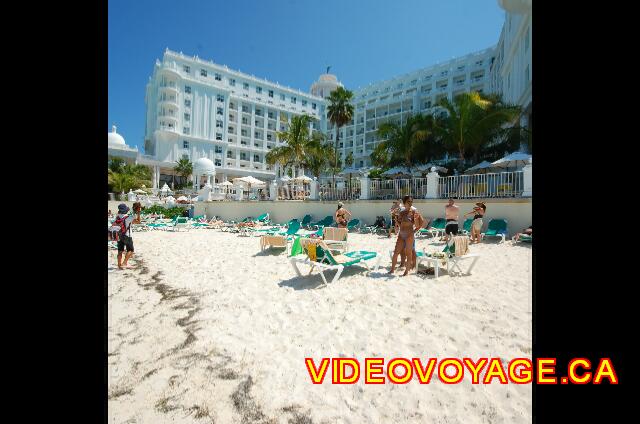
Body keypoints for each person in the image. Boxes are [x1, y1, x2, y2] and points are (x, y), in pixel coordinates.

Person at [390, 196, 424, 276]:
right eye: (408, 201)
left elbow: (421, 223)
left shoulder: (414, 212)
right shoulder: (401, 212)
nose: (410, 203)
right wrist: (396, 219)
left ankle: (407, 271)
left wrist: (415, 229)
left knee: (409, 253)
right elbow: (399, 223)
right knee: (396, 252)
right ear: (404, 203)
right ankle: (392, 270)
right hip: (401, 235)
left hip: (409, 235)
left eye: (411, 201)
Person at [112, 203, 141, 269]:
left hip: (119, 235)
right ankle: (124, 263)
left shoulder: (117, 217)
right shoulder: (128, 217)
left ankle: (119, 265)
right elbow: (138, 221)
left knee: (120, 251)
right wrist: (138, 213)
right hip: (127, 235)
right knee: (130, 250)